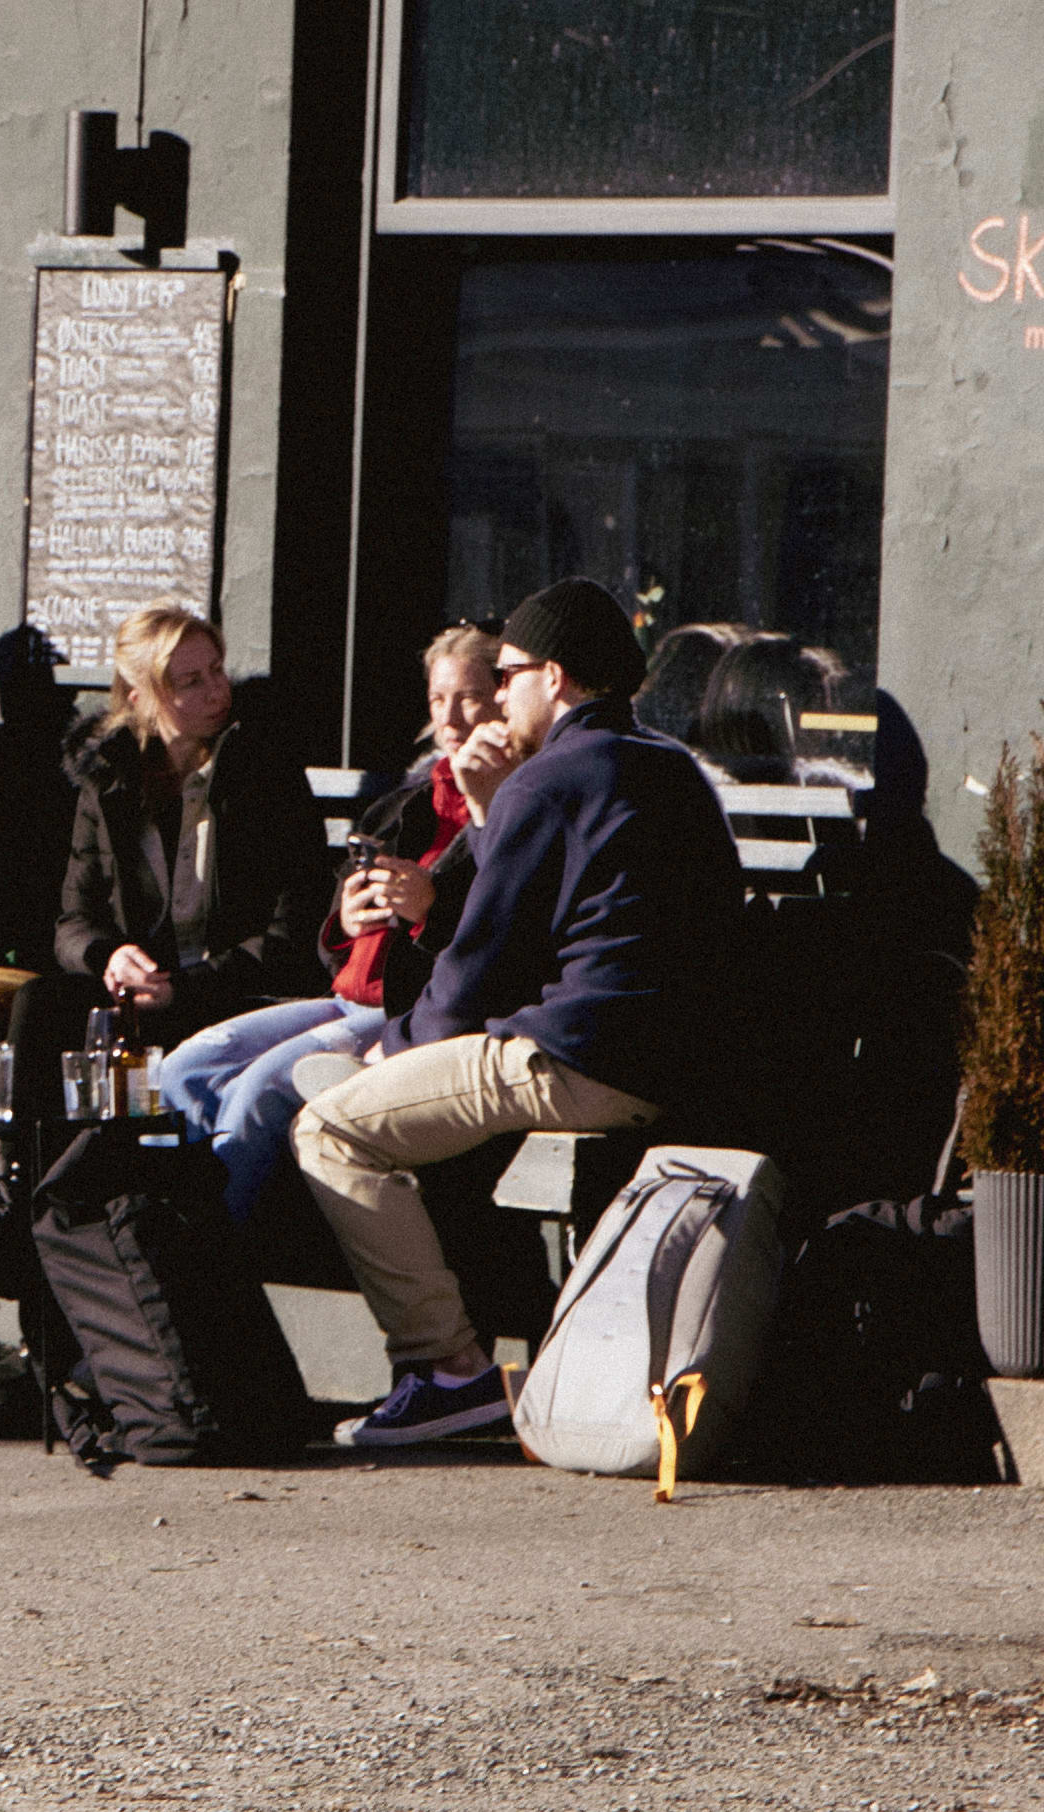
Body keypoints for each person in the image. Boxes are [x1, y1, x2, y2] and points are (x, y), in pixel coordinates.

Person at [297, 581, 734, 1454]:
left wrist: (395, 1052)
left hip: (577, 1058)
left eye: (508, 674)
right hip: (676, 1064)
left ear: (556, 677)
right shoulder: (671, 768)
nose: (497, 697)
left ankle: (445, 1372)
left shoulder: (550, 779)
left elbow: (474, 969)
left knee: (330, 1129)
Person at [160, 621, 498, 1221]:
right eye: (438, 699)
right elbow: (333, 945)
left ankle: (215, 1256)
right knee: (188, 1067)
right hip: (346, 997)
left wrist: (430, 912)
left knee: (258, 1089)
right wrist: (344, 919)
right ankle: (179, 1230)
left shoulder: (505, 806)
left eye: (468, 697)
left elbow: (502, 939)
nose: (451, 717)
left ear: (502, 695)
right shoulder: (411, 800)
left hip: (406, 1015)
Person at [42, 599, 333, 1062]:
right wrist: (111, 959)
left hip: (231, 992)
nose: (217, 691)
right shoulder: (110, 780)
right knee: (39, 1006)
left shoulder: (263, 773)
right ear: (141, 698)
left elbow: (292, 930)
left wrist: (186, 988)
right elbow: (75, 920)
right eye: (191, 682)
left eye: (217, 671)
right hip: (141, 993)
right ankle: (24, 1138)